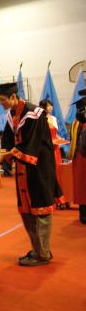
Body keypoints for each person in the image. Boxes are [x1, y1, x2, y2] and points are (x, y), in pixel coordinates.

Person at [0, 83, 61, 266]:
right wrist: (1, 154)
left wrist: (4, 155)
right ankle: (39, 249)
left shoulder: (34, 114)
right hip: (24, 169)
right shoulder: (11, 115)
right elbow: (8, 140)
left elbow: (30, 144)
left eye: (3, 100)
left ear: (13, 97)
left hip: (39, 168)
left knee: (41, 209)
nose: (1, 103)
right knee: (27, 210)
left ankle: (42, 254)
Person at [39, 99, 69, 209]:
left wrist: (59, 138)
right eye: (48, 106)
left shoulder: (54, 118)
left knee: (58, 171)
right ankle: (51, 198)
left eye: (51, 105)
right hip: (46, 148)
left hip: (55, 148)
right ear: (43, 107)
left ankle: (60, 198)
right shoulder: (39, 119)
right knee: (49, 172)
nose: (50, 107)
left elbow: (55, 133)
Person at [68, 90, 86, 224]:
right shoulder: (83, 125)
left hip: (78, 157)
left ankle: (83, 215)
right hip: (83, 158)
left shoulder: (75, 123)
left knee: (81, 187)